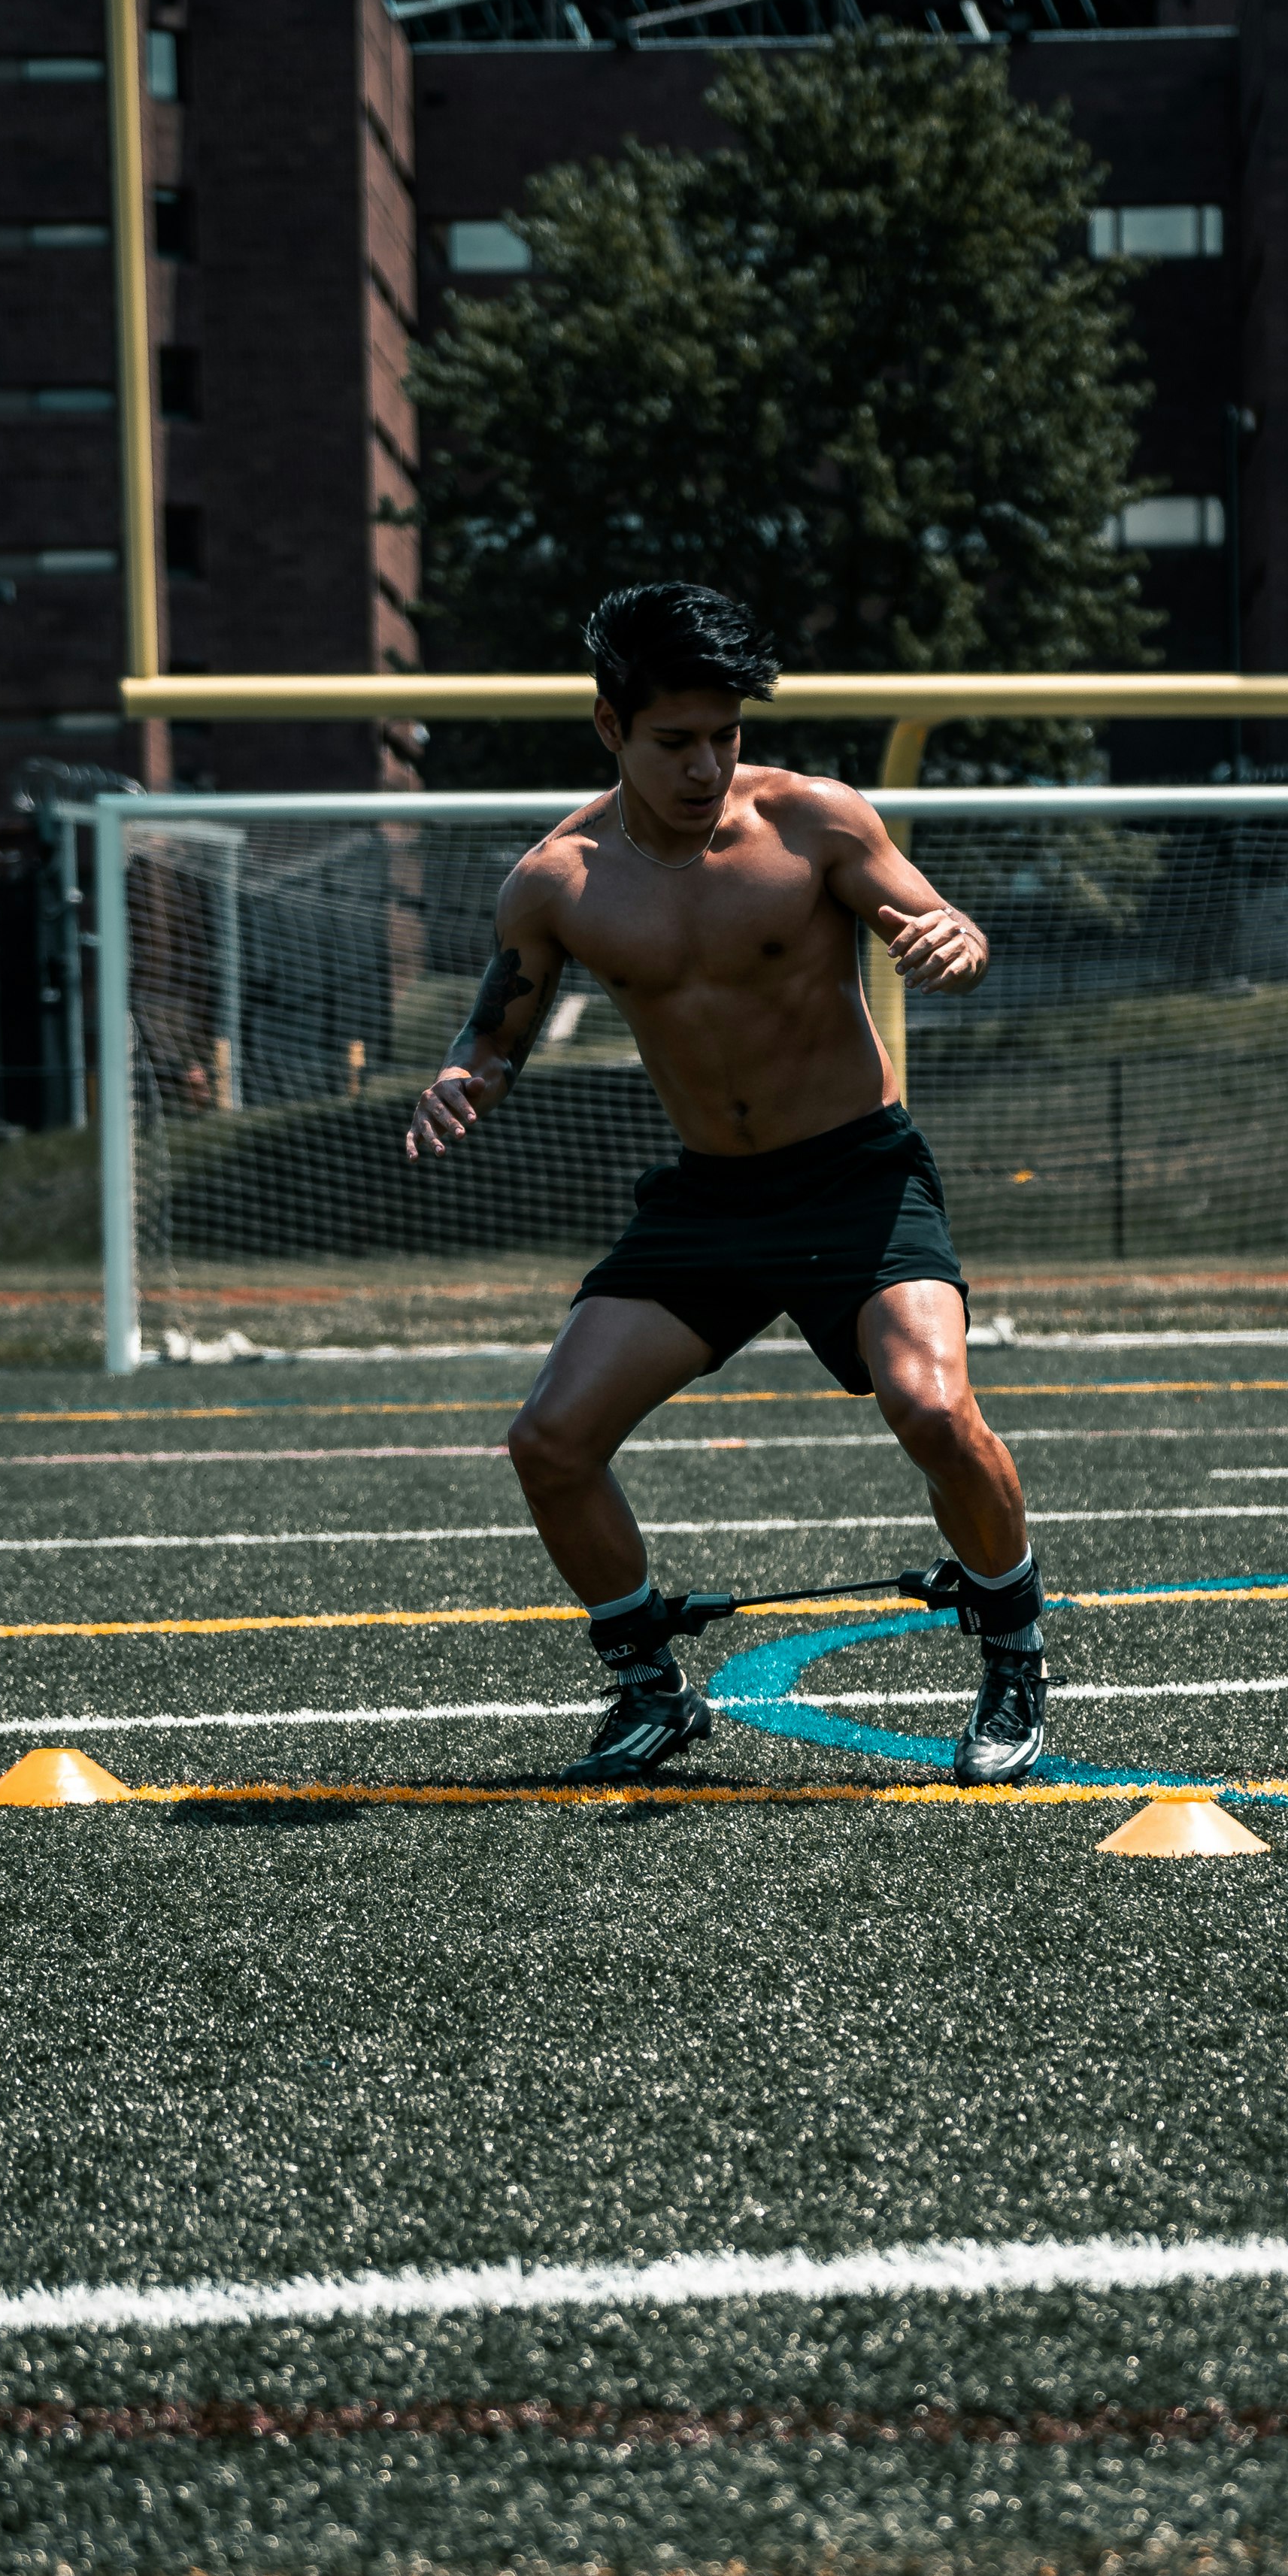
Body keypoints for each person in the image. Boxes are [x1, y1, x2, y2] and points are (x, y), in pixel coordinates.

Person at [405, 581, 1047, 1788]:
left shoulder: (814, 821)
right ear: (610, 727)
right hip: (711, 1202)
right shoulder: (556, 880)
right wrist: (459, 1076)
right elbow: (495, 1035)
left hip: (858, 1177)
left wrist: (956, 940)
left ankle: (1012, 1649)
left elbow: (939, 922)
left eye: (724, 735)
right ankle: (650, 1685)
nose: (704, 766)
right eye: (673, 741)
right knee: (550, 1440)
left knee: (930, 1407)